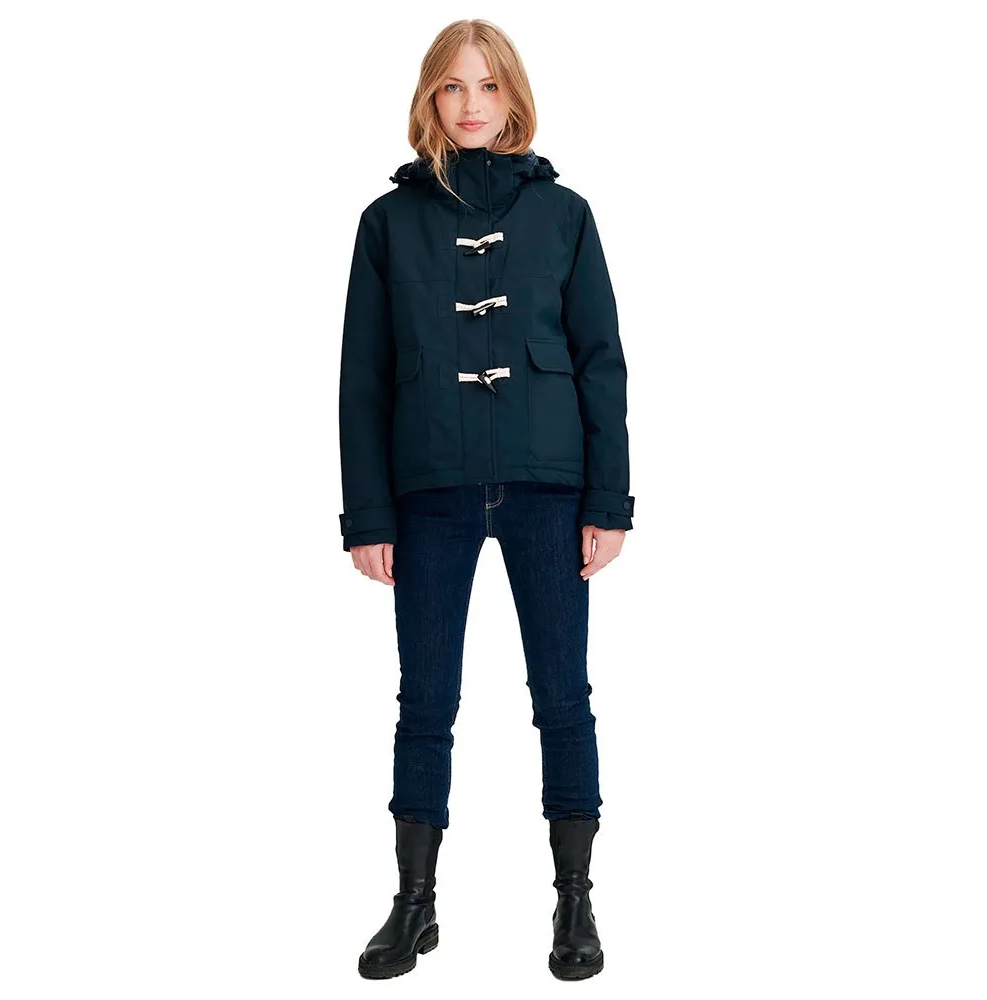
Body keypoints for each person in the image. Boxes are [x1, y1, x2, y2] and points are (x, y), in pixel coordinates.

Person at [339, 19, 633, 982]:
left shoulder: (566, 215)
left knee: (564, 697)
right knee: (424, 701)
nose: (472, 105)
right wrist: (368, 516)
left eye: (489, 86)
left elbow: (601, 361)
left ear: (514, 96)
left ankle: (575, 901)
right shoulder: (387, 224)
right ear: (430, 96)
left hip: (549, 487)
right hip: (430, 488)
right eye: (454, 87)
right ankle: (413, 902)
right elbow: (361, 380)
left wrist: (609, 500)